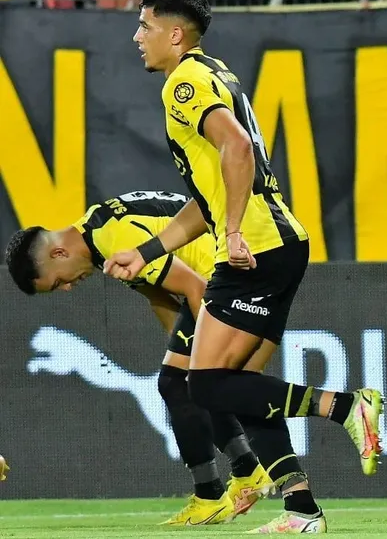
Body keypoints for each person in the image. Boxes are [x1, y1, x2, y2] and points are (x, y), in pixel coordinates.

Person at [106, 0, 383, 535]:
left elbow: (236, 148)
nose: (137, 37)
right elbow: (207, 197)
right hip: (274, 243)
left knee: (205, 386)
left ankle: (345, 407)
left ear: (174, 34)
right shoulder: (214, 70)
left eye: (145, 27)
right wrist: (148, 249)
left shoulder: (184, 82)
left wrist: (231, 232)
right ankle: (302, 511)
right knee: (236, 387)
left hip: (256, 249)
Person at [4, 190, 271, 526]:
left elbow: (194, 288)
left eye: (58, 281)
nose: (67, 289)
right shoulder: (97, 238)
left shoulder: (114, 240)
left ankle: (211, 496)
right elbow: (158, 294)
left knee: (180, 384)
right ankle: (247, 471)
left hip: (237, 267)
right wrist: (180, 352)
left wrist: (201, 359)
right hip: (226, 271)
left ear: (59, 252)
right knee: (185, 382)